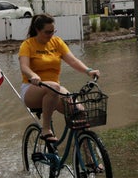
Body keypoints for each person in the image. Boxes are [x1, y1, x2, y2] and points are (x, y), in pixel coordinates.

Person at [19, 14, 100, 145]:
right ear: (37, 30)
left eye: (53, 31)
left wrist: (88, 70)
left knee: (80, 113)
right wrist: (33, 75)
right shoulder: (27, 45)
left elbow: (73, 61)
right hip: (32, 89)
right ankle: (46, 129)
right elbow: (24, 67)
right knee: (54, 88)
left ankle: (90, 161)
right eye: (47, 32)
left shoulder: (57, 42)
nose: (51, 35)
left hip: (54, 89)